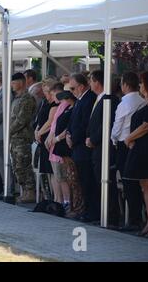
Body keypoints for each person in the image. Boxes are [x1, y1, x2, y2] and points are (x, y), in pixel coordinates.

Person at [111, 71, 145, 231]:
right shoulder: (142, 100)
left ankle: (133, 219)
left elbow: (117, 125)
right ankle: (138, 217)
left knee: (128, 183)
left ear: (124, 85)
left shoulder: (124, 103)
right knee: (137, 184)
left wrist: (113, 138)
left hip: (124, 145)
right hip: (139, 143)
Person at [124, 71, 148, 237]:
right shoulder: (146, 102)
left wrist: (129, 138)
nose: (140, 86)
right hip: (140, 149)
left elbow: (147, 126)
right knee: (145, 186)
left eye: (142, 83)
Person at [86, 70, 120, 227]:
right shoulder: (98, 99)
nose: (90, 84)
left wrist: (93, 139)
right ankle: (103, 213)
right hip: (96, 149)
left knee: (107, 183)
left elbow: (106, 123)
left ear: (97, 82)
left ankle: (111, 216)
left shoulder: (109, 99)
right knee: (99, 182)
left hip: (104, 149)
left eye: (91, 81)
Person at [66, 73, 97, 223]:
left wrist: (74, 137)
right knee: (82, 181)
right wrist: (68, 134)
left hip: (83, 149)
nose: (71, 91)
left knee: (87, 181)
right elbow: (72, 122)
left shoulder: (88, 99)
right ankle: (85, 210)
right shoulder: (80, 100)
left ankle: (91, 212)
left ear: (81, 86)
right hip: (76, 147)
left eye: (73, 88)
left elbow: (85, 124)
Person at [52, 90, 85, 218]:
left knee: (73, 179)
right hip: (63, 148)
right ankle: (72, 205)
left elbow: (70, 127)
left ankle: (76, 206)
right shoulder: (69, 108)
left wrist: (60, 138)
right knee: (69, 178)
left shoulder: (74, 107)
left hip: (68, 146)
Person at [10, 72, 37, 203]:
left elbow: (21, 120)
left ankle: (30, 192)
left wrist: (8, 131)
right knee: (17, 166)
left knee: (24, 165)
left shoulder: (27, 99)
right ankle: (24, 191)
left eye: (14, 82)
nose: (12, 85)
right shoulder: (16, 98)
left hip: (23, 138)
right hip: (15, 138)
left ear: (21, 82)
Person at [34, 79, 59, 201]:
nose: (46, 94)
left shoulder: (55, 105)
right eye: (44, 91)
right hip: (42, 139)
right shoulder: (45, 102)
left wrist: (39, 132)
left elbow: (50, 122)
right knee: (46, 171)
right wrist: (37, 130)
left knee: (52, 171)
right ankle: (47, 195)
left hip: (48, 139)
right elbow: (40, 118)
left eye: (47, 91)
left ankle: (54, 197)